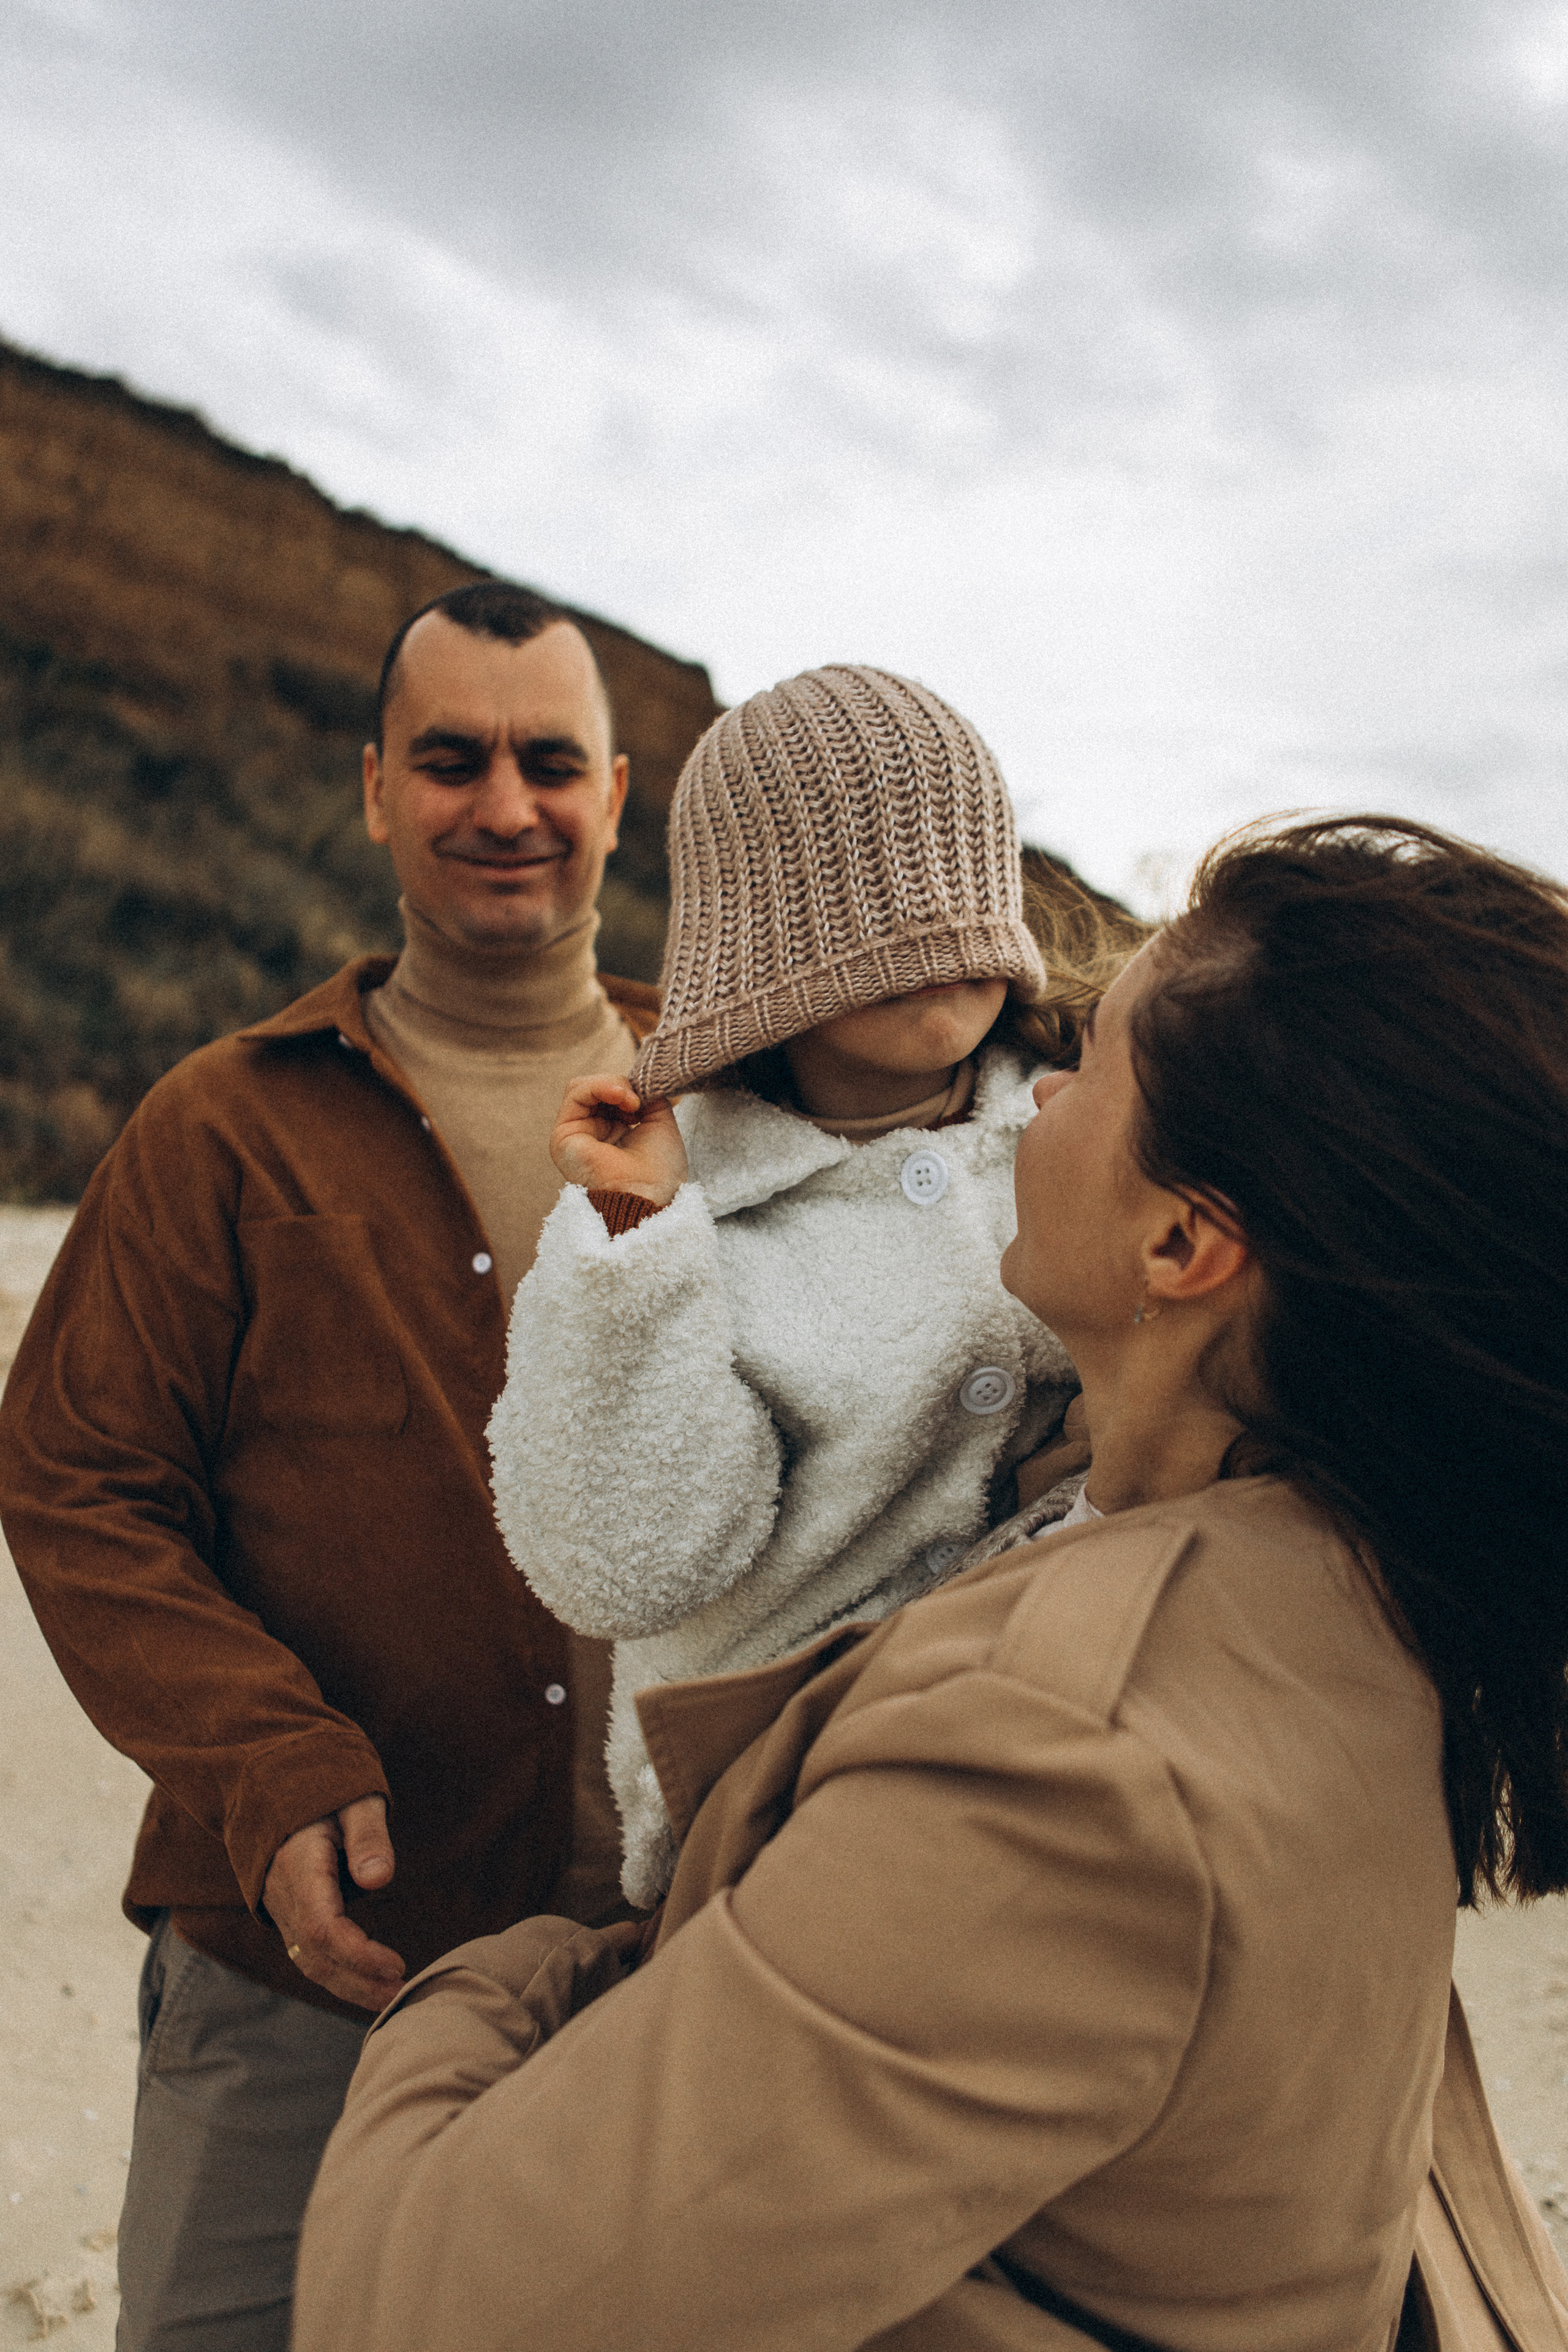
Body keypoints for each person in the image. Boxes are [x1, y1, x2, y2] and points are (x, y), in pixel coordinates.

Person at [295, 817, 1568, 2352]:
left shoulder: (1056, 1765)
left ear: (1179, 1242)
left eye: (1087, 1064)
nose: (1027, 1103)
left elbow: (423, 2311)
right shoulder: (1365, 1568)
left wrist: (526, 1977)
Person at [0, 582, 658, 2351]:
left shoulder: (745, 1110)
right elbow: (78, 1476)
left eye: (549, 763)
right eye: (451, 761)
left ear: (617, 789)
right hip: (306, 1971)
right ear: (376, 789)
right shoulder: (226, 1119)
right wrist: (264, 1758)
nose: (503, 807)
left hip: (673, 1984)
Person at [489, 665, 1098, 1906]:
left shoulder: (1081, 1132)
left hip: (1053, 1751)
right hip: (770, 1809)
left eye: (958, 887)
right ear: (759, 944)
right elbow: (619, 1566)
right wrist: (633, 1232)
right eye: (881, 902)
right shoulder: (670, 1210)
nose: (938, 932)